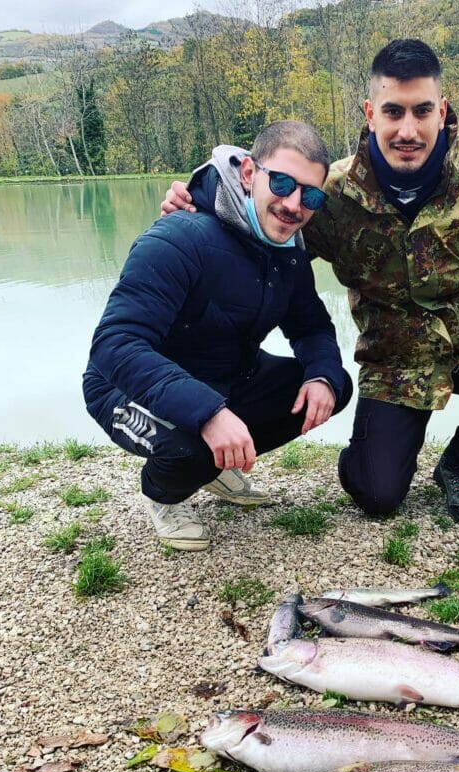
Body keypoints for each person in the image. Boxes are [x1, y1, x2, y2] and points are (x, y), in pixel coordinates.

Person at [162, 39, 459, 524]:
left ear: (441, 110)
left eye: (422, 111)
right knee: (375, 495)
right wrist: (196, 206)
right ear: (370, 112)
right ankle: (377, 453)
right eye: (393, 111)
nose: (408, 129)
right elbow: (261, 227)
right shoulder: (330, 194)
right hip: (395, 359)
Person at [84, 120, 352, 551]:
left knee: (332, 386)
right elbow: (115, 344)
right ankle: (164, 492)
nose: (294, 203)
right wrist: (210, 414)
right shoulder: (178, 237)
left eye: (311, 194)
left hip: (225, 373)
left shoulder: (288, 254)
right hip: (123, 387)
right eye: (281, 182)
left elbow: (312, 326)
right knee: (189, 450)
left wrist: (322, 375)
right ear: (249, 174)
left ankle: (213, 466)